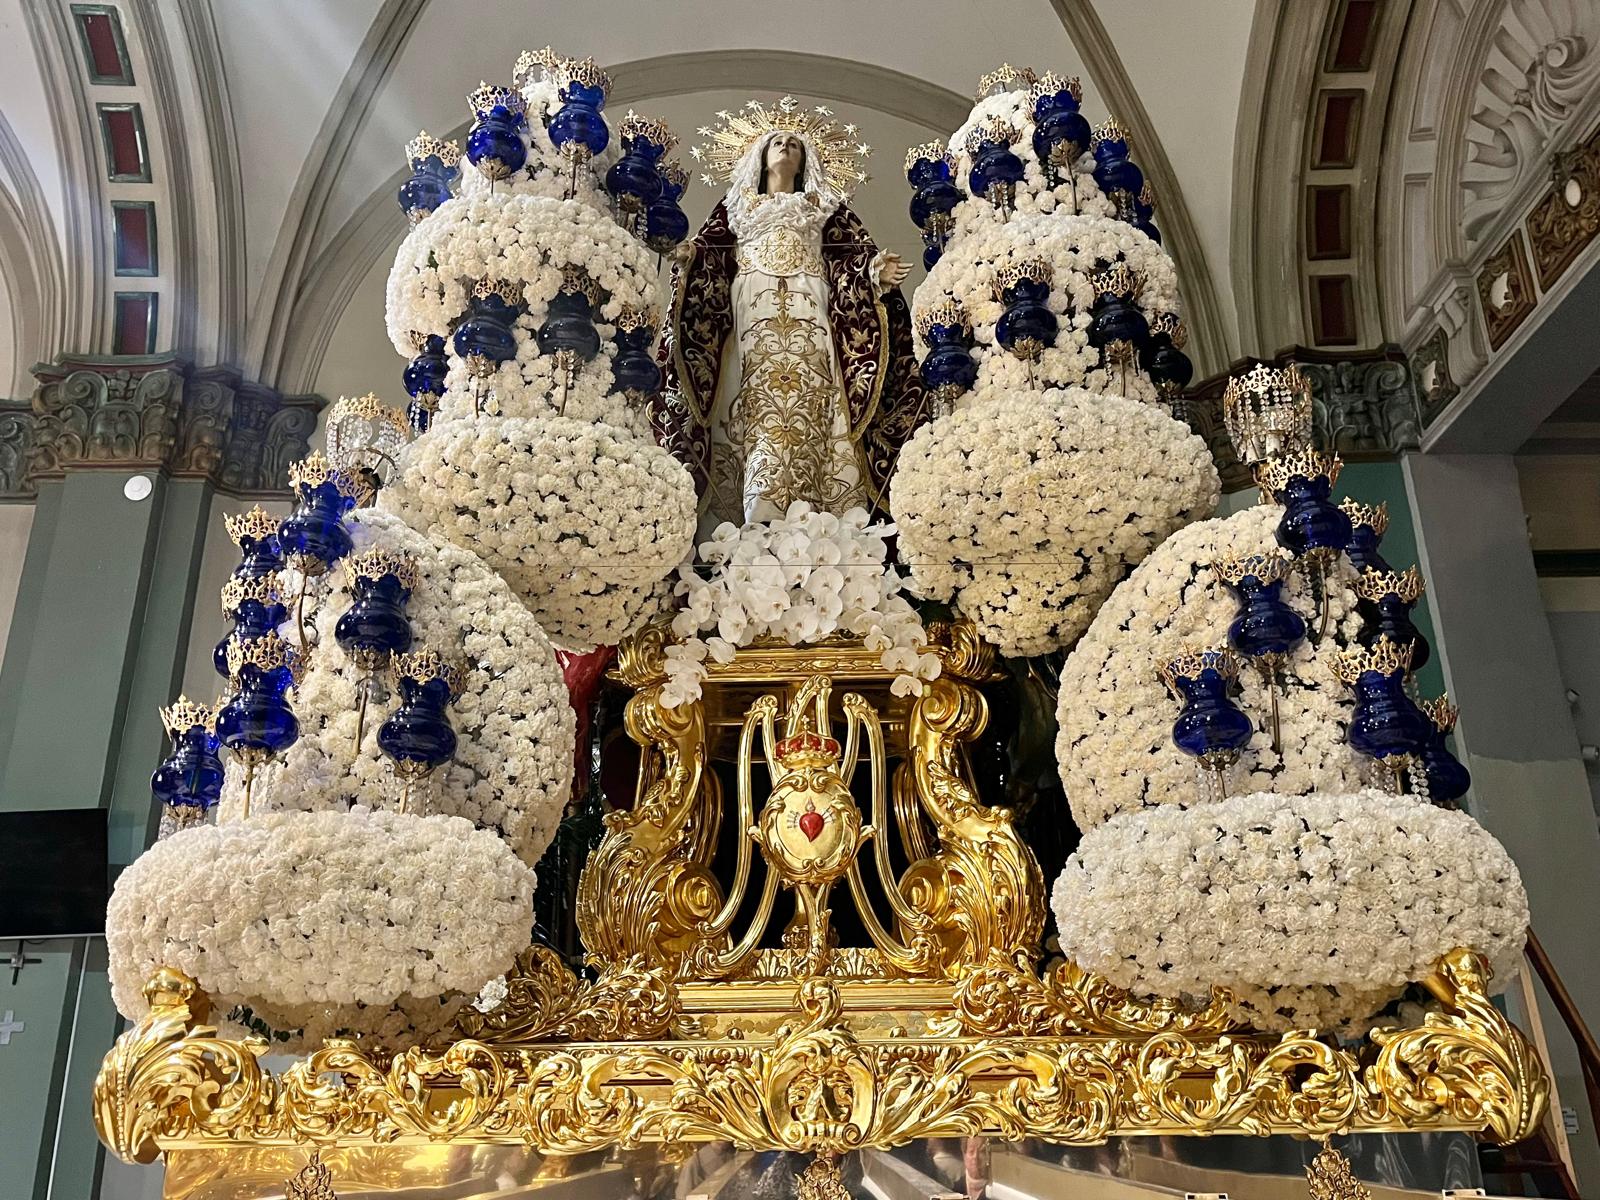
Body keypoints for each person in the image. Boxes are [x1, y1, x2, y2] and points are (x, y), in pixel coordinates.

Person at [654, 98, 926, 531]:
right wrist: (692, 257)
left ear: (805, 162)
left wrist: (873, 271)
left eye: (795, 145)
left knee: (817, 391)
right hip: (751, 305)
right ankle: (756, 504)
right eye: (777, 141)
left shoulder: (824, 206)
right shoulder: (736, 206)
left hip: (811, 303)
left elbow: (849, 255)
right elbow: (712, 254)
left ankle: (816, 509)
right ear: (759, 157)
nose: (785, 147)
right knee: (751, 396)